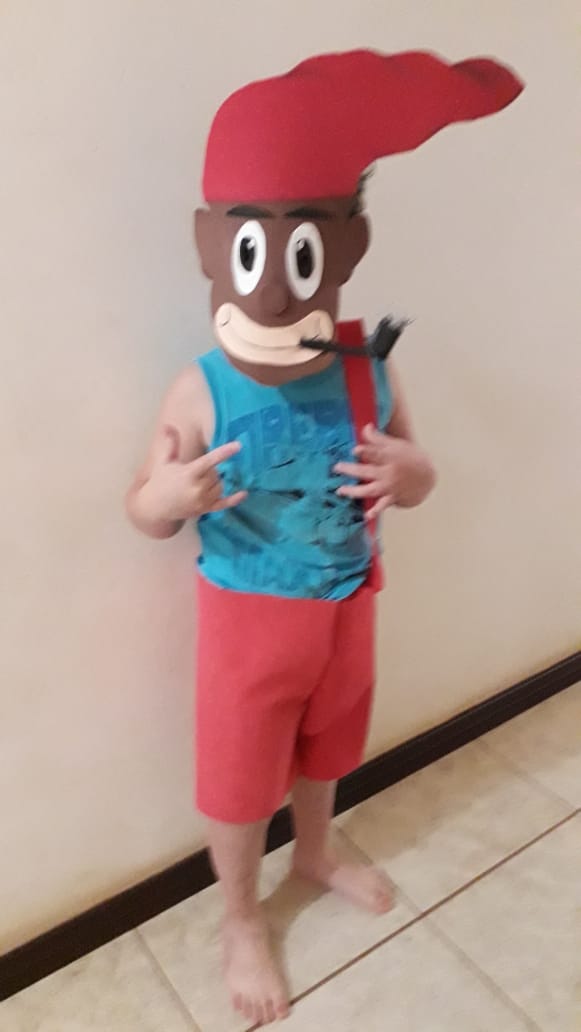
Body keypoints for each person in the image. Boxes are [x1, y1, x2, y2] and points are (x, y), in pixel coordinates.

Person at [126, 49, 523, 1026]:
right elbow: (144, 508)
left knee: (328, 744)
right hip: (246, 621)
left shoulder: (365, 370)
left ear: (342, 251)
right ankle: (238, 917)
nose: (271, 291)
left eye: (299, 254)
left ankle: (313, 850)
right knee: (237, 780)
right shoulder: (200, 387)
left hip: (347, 604)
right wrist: (166, 493)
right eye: (249, 254)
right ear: (214, 247)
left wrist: (412, 475)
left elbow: (415, 471)